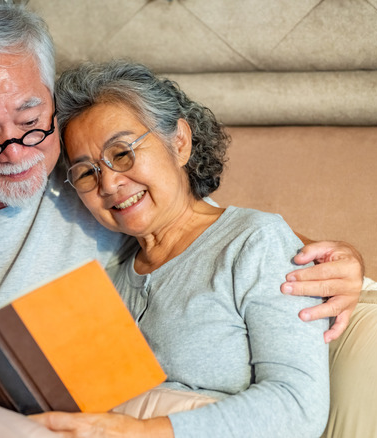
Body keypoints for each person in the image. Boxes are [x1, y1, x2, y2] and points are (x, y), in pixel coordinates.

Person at [0, 1, 360, 436]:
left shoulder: (82, 176)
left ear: (51, 95)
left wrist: (341, 262)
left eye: (30, 116)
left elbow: (209, 235)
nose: (18, 151)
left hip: (12, 420)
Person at [25, 60, 329, 437]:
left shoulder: (254, 242)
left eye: (122, 153)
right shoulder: (109, 273)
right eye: (87, 172)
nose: (109, 184)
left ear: (179, 142)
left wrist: (139, 432)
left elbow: (300, 407)